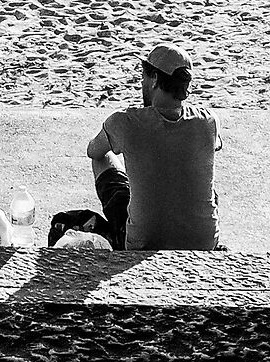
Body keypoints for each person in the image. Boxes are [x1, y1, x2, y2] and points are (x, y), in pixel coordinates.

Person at [49, 44, 221, 251]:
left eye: (144, 76)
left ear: (155, 79)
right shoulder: (209, 122)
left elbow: (93, 151)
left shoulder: (126, 122)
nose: (142, 82)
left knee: (104, 161)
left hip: (142, 244)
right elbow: (211, 147)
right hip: (204, 244)